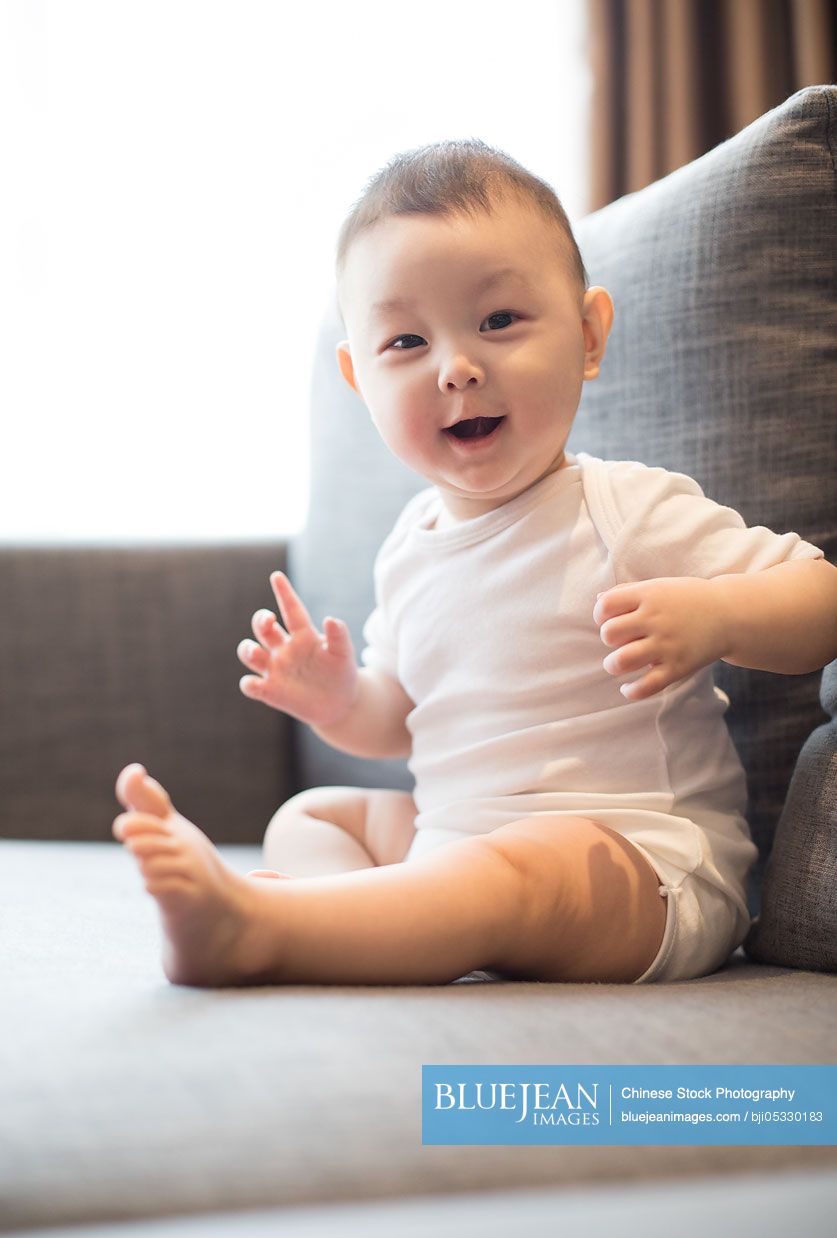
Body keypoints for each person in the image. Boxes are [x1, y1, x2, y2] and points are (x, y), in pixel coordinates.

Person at [112, 140, 837, 990]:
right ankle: (366, 925)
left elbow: (820, 599)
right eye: (407, 341)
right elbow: (401, 719)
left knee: (514, 870)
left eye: (497, 321)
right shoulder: (407, 550)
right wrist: (340, 700)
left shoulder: (622, 508)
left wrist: (718, 617)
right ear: (358, 380)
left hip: (637, 865)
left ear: (588, 333)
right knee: (313, 819)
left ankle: (269, 930)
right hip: (452, 837)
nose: (456, 366)